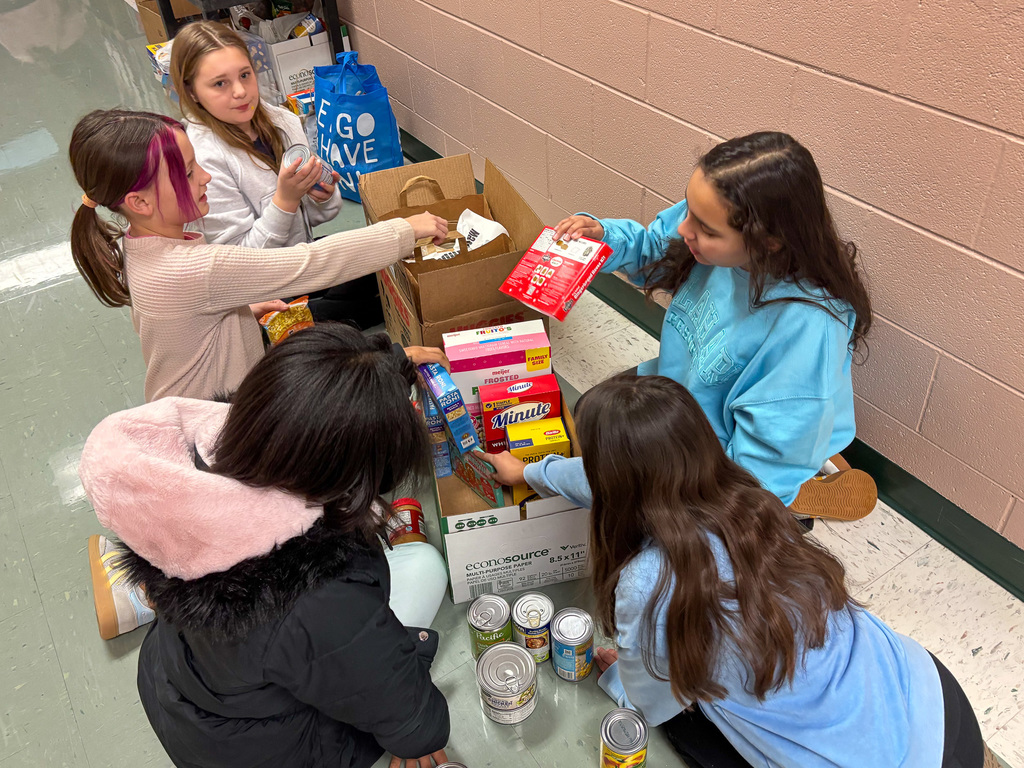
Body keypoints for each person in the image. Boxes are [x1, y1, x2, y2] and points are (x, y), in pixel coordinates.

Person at [78, 324, 453, 768]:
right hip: (266, 751)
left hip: (183, 693)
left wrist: (384, 367)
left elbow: (310, 398)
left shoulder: (213, 445)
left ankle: (139, 598)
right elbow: (401, 706)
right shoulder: (317, 596)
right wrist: (420, 732)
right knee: (426, 566)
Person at [577, 373, 992, 768]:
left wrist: (626, 674)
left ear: (609, 481)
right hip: (933, 698)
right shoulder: (754, 501)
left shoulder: (647, 579)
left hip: (889, 759)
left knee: (688, 728)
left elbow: (653, 705)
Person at [489, 132, 876, 522]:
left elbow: (745, 480)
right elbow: (654, 247)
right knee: (591, 410)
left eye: (707, 230)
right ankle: (804, 459)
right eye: (688, 209)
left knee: (628, 488)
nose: (683, 229)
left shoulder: (809, 329)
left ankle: (791, 493)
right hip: (685, 390)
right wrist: (601, 237)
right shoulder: (706, 221)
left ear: (769, 241)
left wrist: (534, 474)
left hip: (729, 452)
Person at [69, 107, 446, 403]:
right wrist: (405, 230)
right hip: (220, 425)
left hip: (193, 406)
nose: (205, 177)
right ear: (138, 201)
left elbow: (176, 328)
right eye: (186, 173)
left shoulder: (137, 244)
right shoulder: (191, 269)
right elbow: (311, 264)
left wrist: (240, 313)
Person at [170, 21, 382, 327]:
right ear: (191, 91)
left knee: (382, 259)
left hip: (296, 262)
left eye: (245, 75)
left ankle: (323, 308)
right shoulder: (202, 159)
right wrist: (285, 200)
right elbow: (241, 265)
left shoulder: (281, 120)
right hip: (257, 291)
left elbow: (317, 217)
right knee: (363, 311)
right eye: (220, 84)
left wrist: (320, 196)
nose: (241, 92)